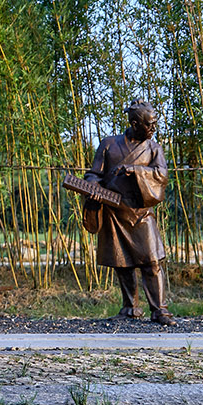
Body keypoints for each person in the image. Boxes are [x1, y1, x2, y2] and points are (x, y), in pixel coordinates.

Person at [82, 100, 175, 325]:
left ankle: (159, 309)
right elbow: (94, 174)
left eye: (154, 124)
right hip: (115, 210)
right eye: (149, 125)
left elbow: (161, 176)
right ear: (135, 123)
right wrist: (93, 189)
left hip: (142, 213)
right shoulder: (108, 145)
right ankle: (130, 307)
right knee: (121, 262)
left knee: (152, 261)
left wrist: (136, 170)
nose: (153, 129)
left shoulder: (153, 148)